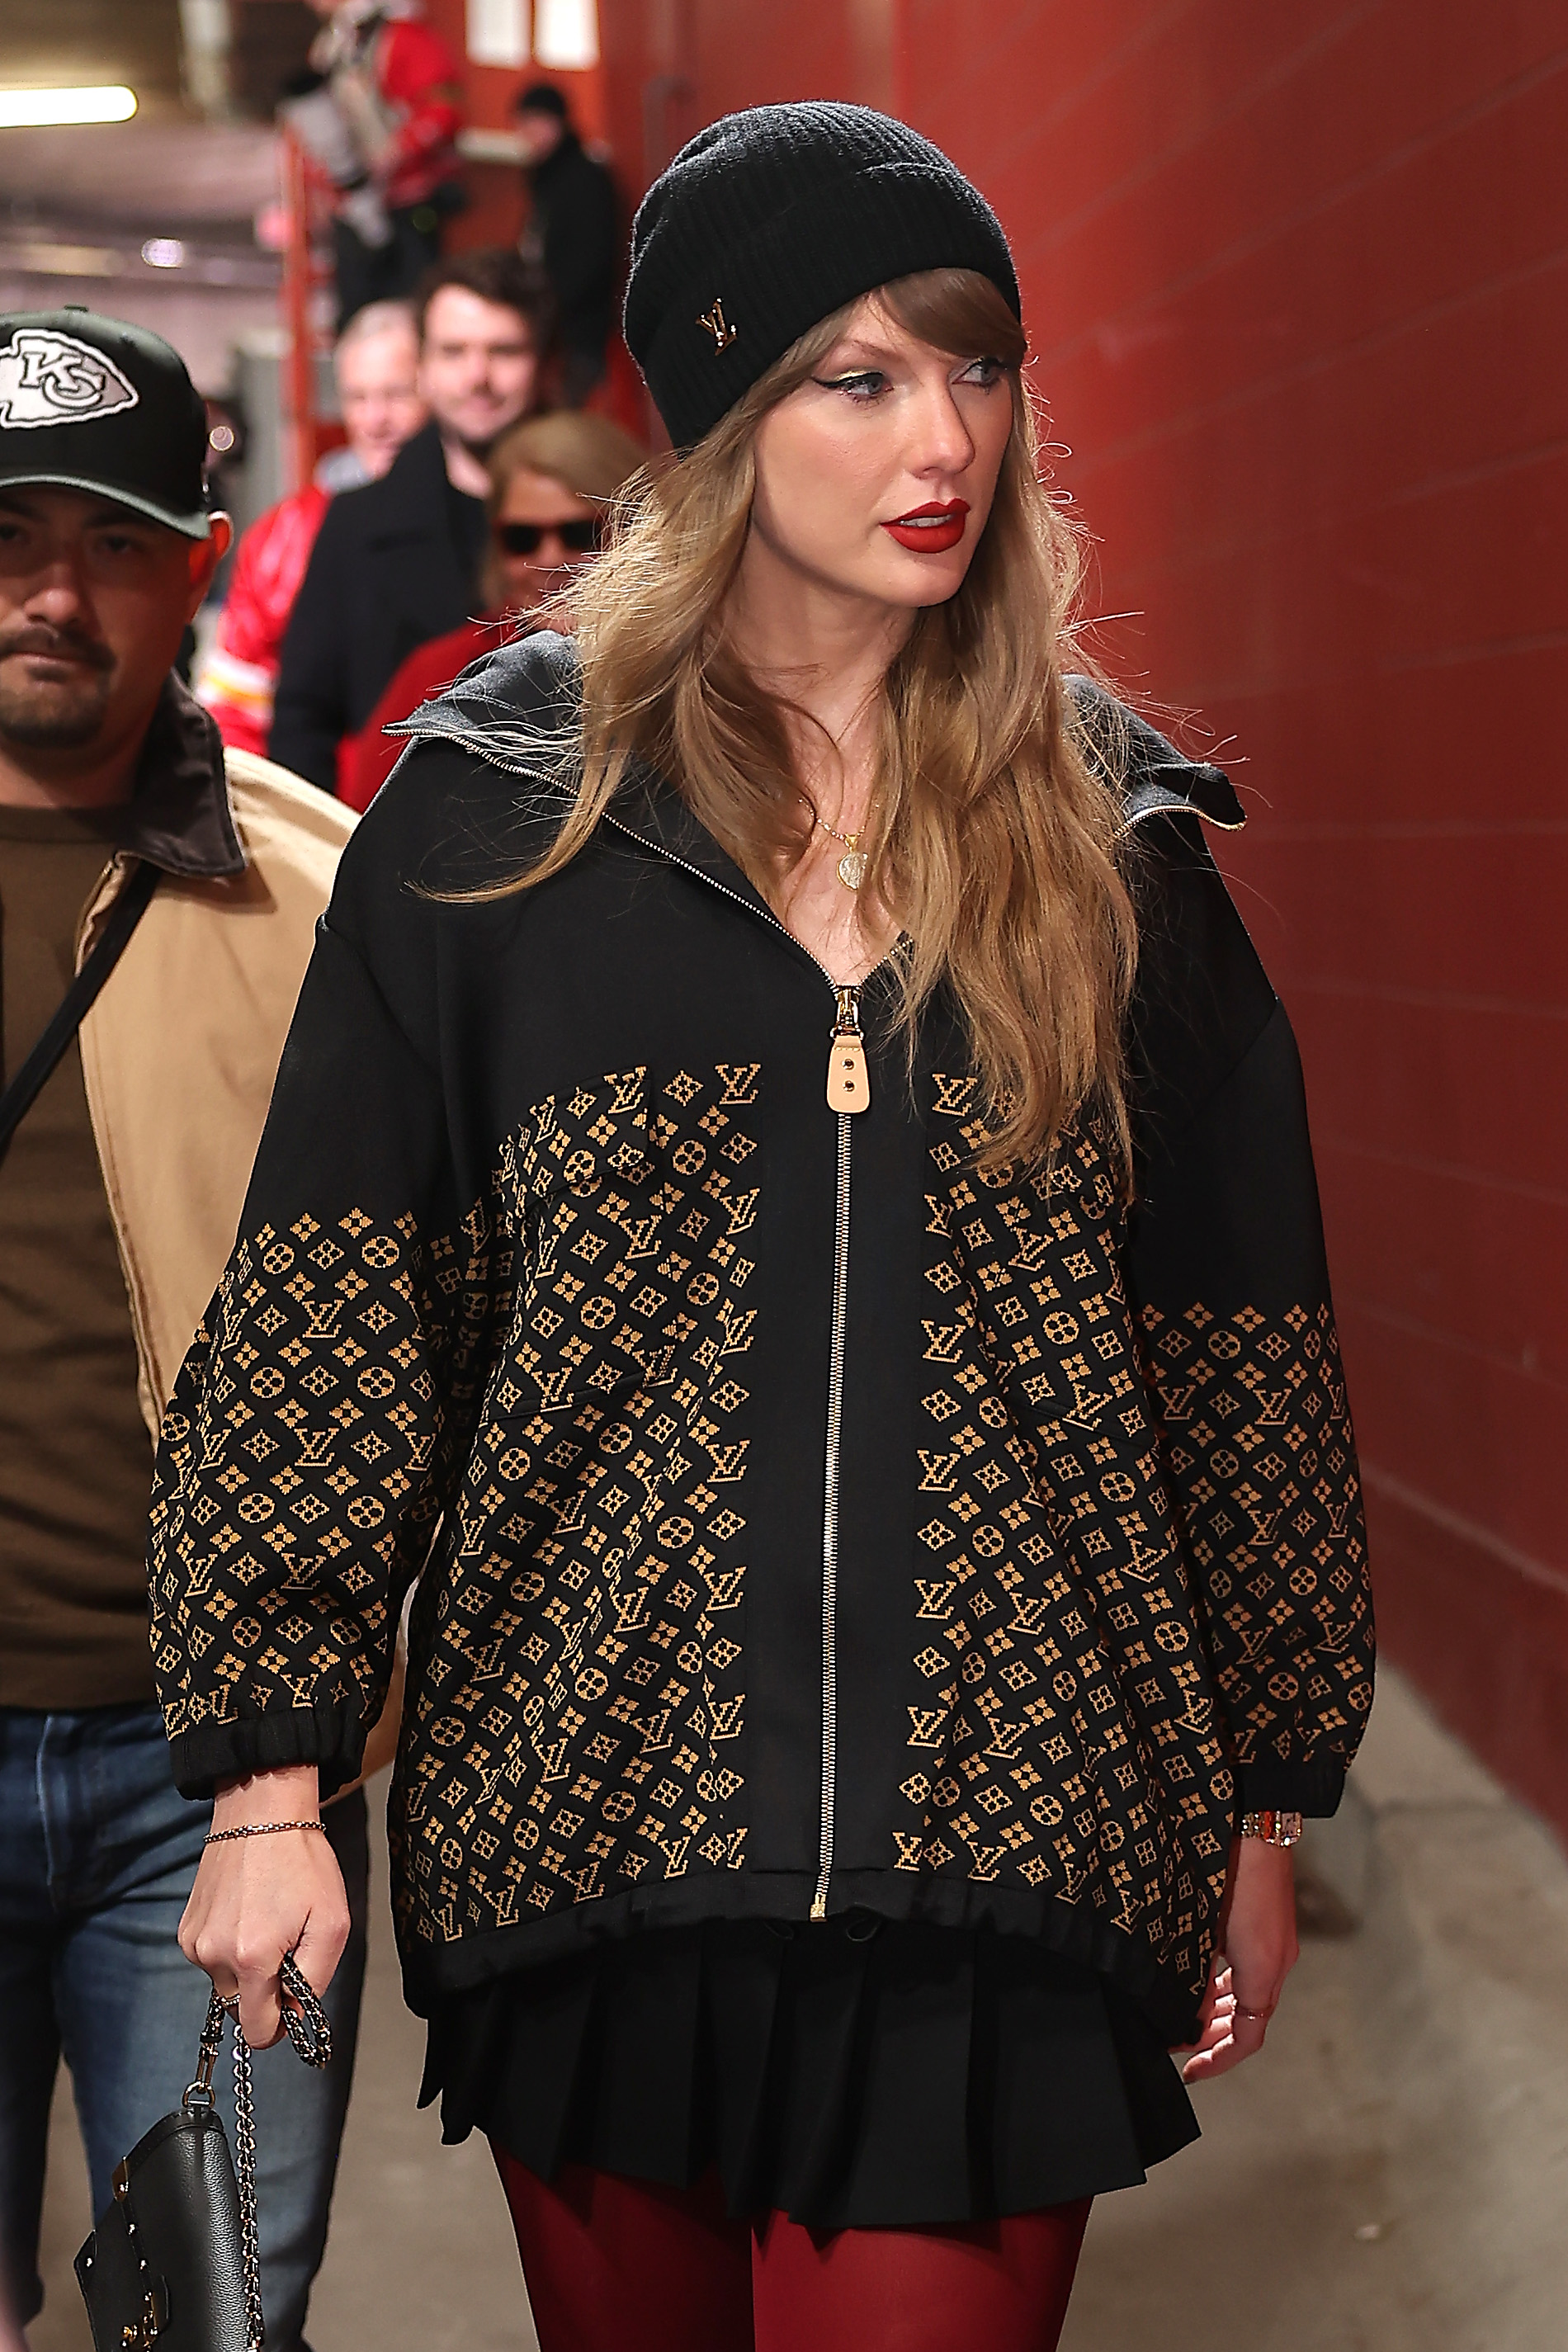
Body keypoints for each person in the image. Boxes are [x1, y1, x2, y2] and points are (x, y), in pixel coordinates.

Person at [149, 104, 1376, 2352]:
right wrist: (267, 1771)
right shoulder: (495, 830)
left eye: (977, 367)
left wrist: (1267, 1798)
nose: (948, 437)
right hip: (593, 1834)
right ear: (718, 415)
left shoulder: (1114, 855)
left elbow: (1238, 1361)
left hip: (1007, 1858)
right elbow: (327, 1314)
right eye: (861, 375)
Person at [0, 310, 366, 2349]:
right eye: (10, 532)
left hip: (213, 1776)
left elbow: (419, 1342)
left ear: (201, 562)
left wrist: (295, 1768)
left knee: (204, 2328)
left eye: (114, 542)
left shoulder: (321, 903)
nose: (55, 591)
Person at [271, 248, 549, 795]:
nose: (478, 377)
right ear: (422, 367)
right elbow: (302, 723)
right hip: (398, 852)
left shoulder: (608, 514)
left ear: (545, 360)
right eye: (454, 352)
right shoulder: (356, 524)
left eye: (504, 350)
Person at [344, 409, 645, 811]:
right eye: (522, 538)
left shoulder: (689, 667)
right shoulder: (439, 675)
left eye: (579, 534)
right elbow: (359, 828)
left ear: (632, 534)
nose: (550, 559)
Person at [195, 300, 426, 756]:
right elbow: (235, 711)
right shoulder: (284, 537)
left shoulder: (501, 522)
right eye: (358, 398)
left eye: (397, 395)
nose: (376, 420)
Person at [296, 0, 465, 324]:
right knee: (355, 314)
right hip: (352, 206)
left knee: (411, 309)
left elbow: (444, 110)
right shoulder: (332, 42)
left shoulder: (404, 39)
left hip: (407, 206)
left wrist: (395, 154)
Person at [512, 81, 620, 406]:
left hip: (576, 331)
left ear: (555, 123)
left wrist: (548, 306)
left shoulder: (582, 181)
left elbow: (591, 259)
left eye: (534, 123)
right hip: (557, 326)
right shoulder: (549, 179)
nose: (526, 134)